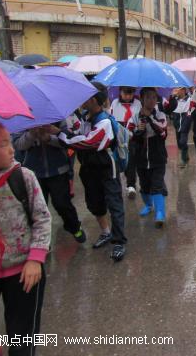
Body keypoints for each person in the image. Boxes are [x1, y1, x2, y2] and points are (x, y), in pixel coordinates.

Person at [0, 121, 51, 356]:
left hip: (25, 271)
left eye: (9, 141)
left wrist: (35, 259)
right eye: (3, 144)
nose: (12, 149)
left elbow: (42, 218)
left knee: (21, 340)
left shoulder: (22, 177)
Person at [58, 82, 127, 262]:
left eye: (86, 96)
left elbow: (88, 142)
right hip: (89, 168)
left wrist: (59, 134)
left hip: (106, 167)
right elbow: (74, 136)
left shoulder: (104, 121)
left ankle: (119, 241)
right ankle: (106, 232)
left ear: (95, 100)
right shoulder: (85, 118)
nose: (82, 99)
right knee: (94, 203)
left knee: (114, 203)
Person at [13, 123, 86, 243]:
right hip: (33, 174)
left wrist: (49, 138)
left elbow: (67, 141)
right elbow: (18, 145)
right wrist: (32, 134)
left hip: (58, 170)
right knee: (37, 209)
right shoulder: (23, 120)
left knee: (62, 204)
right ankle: (41, 240)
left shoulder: (56, 117)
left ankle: (74, 227)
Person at [132, 88, 169, 227]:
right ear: (142, 99)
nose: (152, 100)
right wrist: (138, 131)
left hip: (158, 157)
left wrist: (150, 120)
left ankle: (160, 213)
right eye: (148, 97)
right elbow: (130, 137)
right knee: (144, 185)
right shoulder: (135, 117)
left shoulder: (160, 115)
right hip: (141, 158)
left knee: (157, 185)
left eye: (154, 97)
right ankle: (148, 205)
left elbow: (163, 133)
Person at [110, 86, 141, 199]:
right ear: (120, 92)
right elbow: (111, 118)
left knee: (131, 160)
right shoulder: (115, 103)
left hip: (132, 135)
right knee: (117, 160)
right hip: (118, 135)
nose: (128, 96)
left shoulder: (138, 103)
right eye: (125, 93)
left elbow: (140, 118)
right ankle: (116, 186)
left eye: (131, 93)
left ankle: (131, 185)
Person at [168, 87, 192, 168]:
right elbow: (169, 108)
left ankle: (184, 160)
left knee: (183, 141)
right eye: (176, 88)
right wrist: (172, 96)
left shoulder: (189, 99)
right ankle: (186, 156)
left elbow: (192, 109)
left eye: (179, 88)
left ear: (184, 90)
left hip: (185, 123)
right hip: (177, 124)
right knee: (179, 144)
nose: (177, 90)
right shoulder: (174, 100)